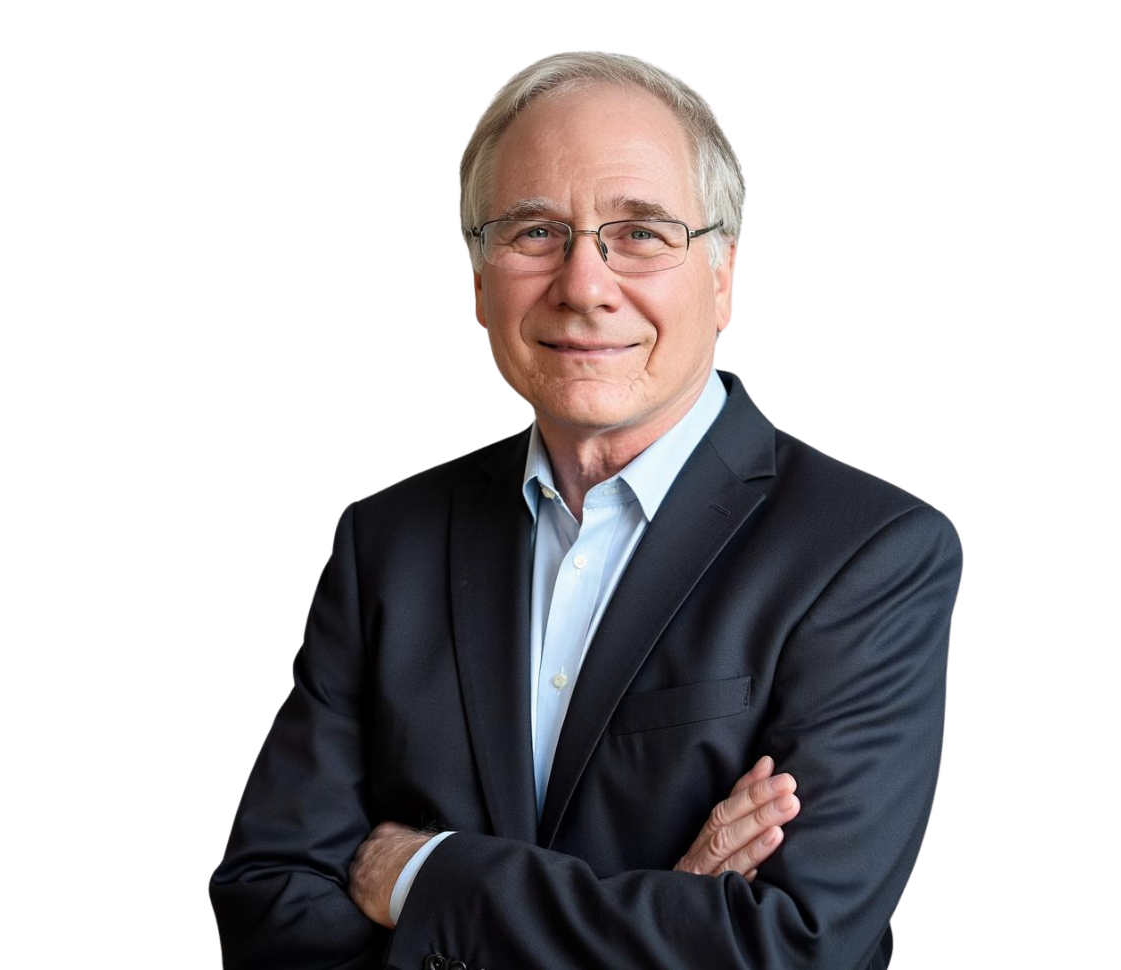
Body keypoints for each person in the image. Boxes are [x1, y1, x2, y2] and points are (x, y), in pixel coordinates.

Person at [209, 50, 962, 969]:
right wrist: (662, 919)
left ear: (722, 272)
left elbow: (789, 949)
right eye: (533, 232)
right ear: (478, 284)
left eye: (640, 232)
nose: (583, 284)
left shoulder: (871, 551)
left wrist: (423, 876)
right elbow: (265, 909)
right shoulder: (385, 540)